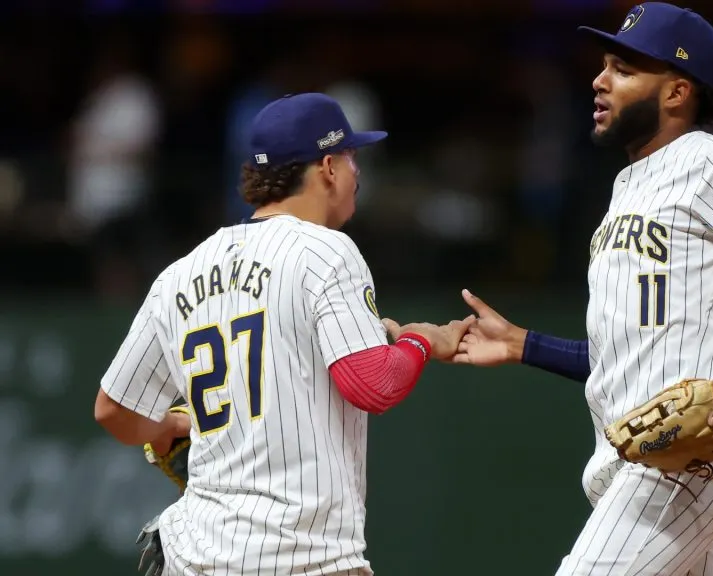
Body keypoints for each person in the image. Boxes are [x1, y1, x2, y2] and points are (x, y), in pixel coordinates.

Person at [452, 4, 713, 575]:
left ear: (677, 92)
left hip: (691, 461)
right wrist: (524, 345)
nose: (600, 80)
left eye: (623, 69)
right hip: (640, 460)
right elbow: (635, 357)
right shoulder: (626, 190)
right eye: (604, 66)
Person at [93, 92, 471, 575]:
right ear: (328, 167)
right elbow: (374, 383)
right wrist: (421, 341)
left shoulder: (180, 274)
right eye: (351, 156)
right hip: (299, 558)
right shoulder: (326, 251)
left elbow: (113, 410)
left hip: (193, 557)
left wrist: (167, 426)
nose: (356, 171)